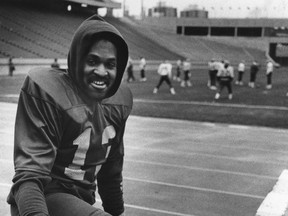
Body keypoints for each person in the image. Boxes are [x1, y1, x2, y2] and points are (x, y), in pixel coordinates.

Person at [7, 15, 132, 216]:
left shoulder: (118, 103)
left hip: (80, 203)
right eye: (92, 61)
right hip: (43, 198)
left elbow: (110, 174)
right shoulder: (47, 91)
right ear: (77, 59)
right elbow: (29, 177)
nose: (101, 71)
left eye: (110, 64)